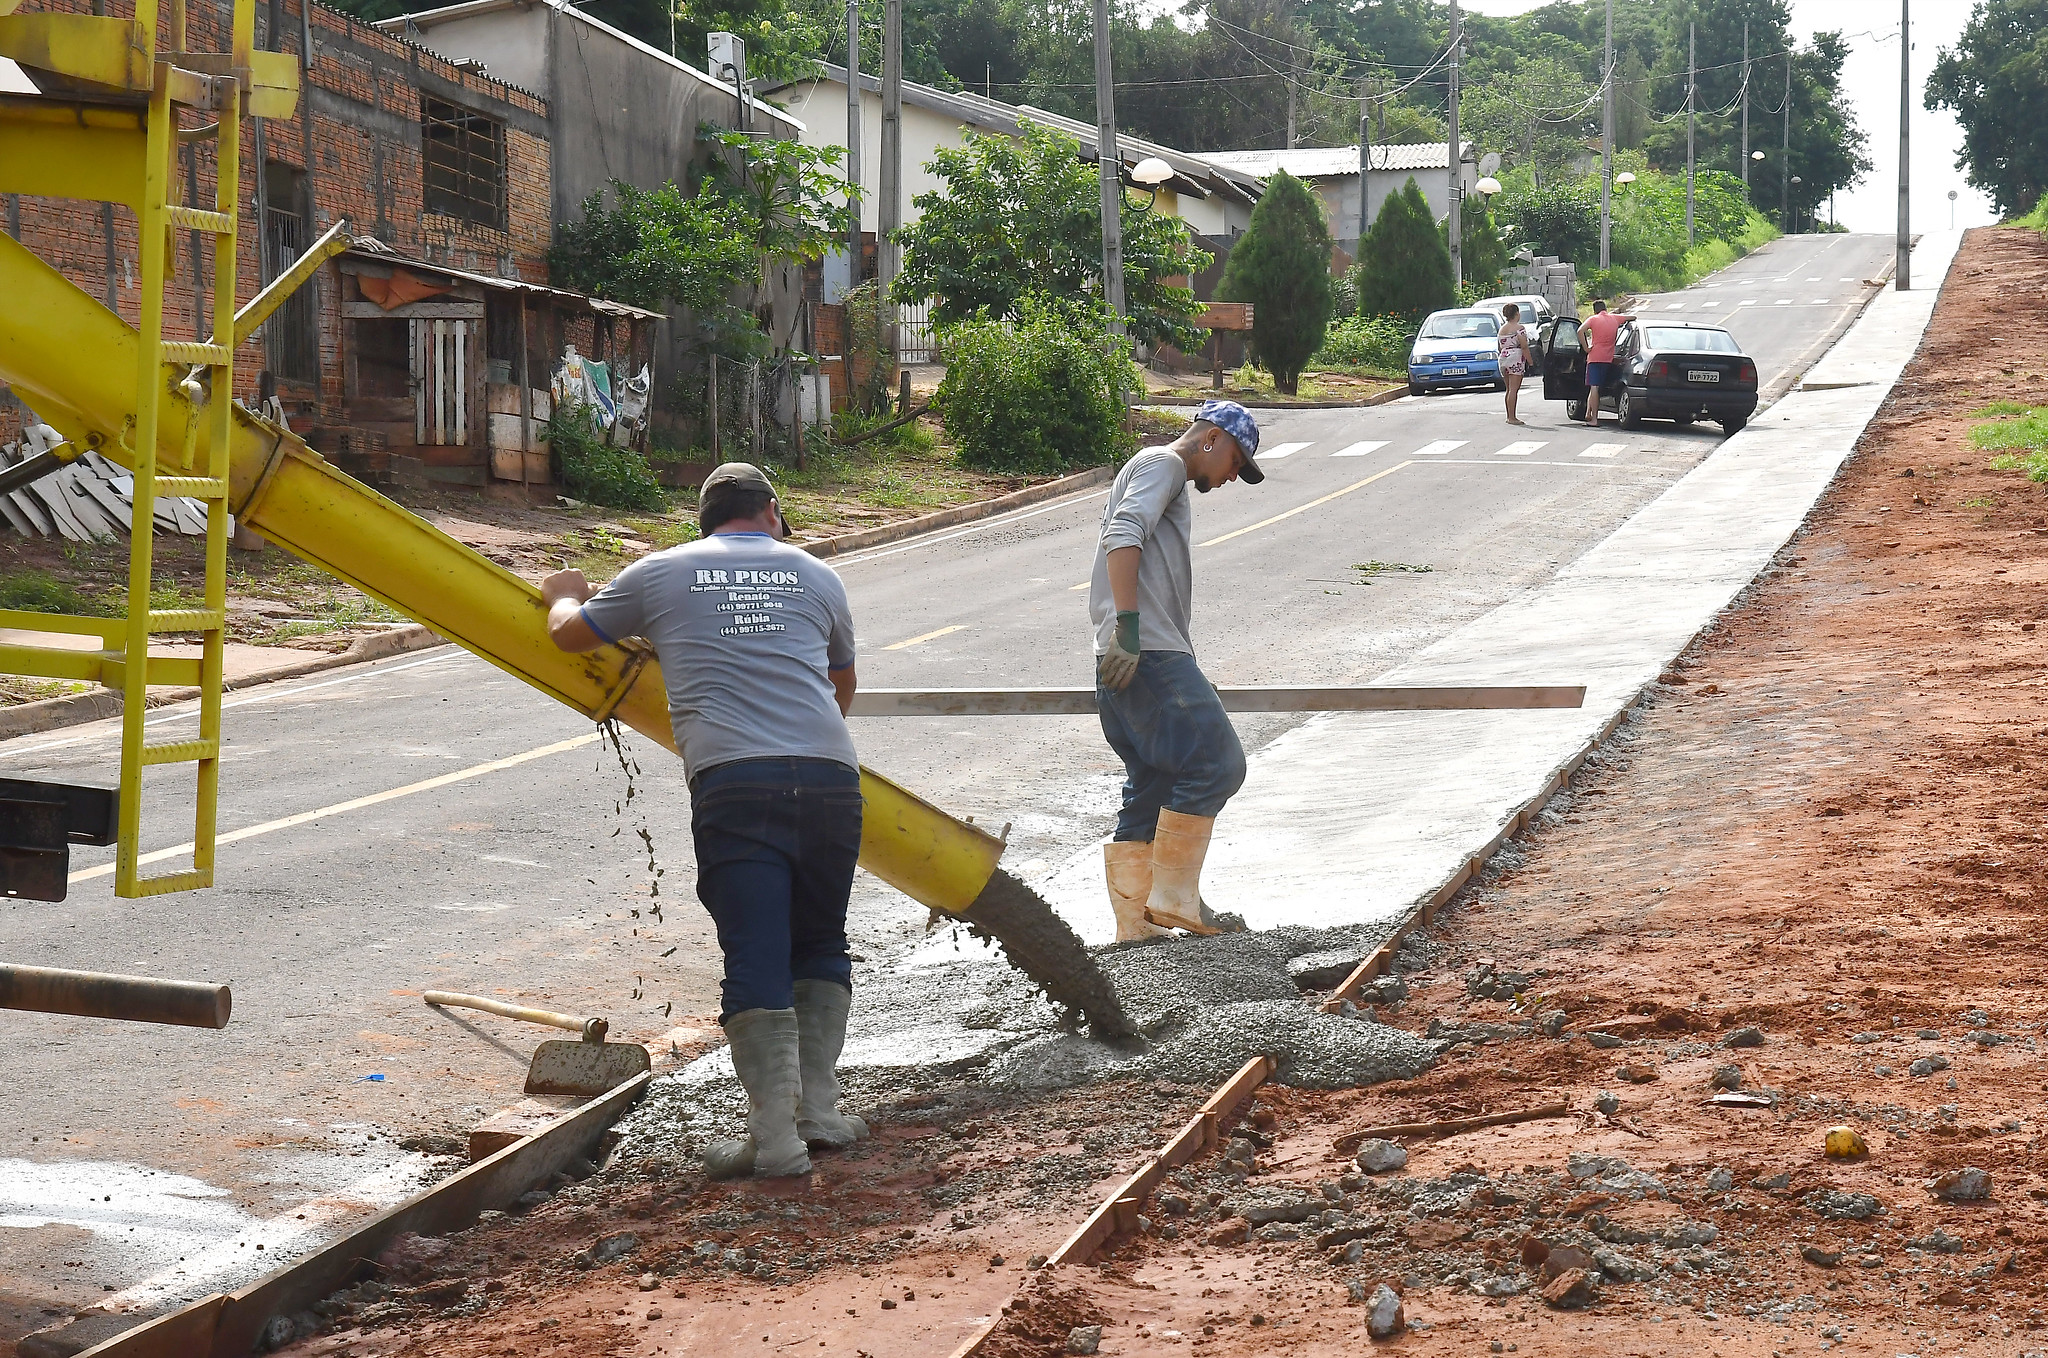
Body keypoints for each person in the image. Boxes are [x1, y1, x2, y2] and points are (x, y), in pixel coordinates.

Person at [542, 463, 866, 1181]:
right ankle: (822, 1114)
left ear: (705, 520)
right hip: (831, 779)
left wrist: (564, 594)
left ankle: (776, 1141)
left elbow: (571, 637)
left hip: (736, 784)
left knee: (755, 956)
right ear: (773, 512)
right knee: (819, 942)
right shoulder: (818, 576)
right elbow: (841, 680)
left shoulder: (660, 574)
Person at [1092, 399, 1264, 943]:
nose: (1233, 475)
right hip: (1146, 653)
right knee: (1218, 764)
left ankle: (1135, 919)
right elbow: (1123, 536)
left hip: (1136, 656)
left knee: (1155, 780)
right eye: (1236, 460)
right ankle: (1175, 899)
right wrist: (1130, 628)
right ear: (1212, 438)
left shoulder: (1153, 470)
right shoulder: (1164, 464)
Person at [1580, 299, 1635, 426]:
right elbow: (1632, 316)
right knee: (1594, 387)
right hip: (1607, 359)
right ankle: (1588, 413)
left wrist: (1586, 347)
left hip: (1594, 357)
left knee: (1594, 387)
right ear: (1605, 308)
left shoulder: (1593, 319)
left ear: (1595, 310)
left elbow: (1580, 331)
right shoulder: (1614, 318)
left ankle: (1594, 419)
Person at [1498, 302, 1533, 426]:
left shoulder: (1502, 328)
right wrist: (1530, 361)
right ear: (1517, 313)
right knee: (1514, 390)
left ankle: (1509, 416)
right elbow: (1524, 346)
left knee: (1508, 389)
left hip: (1503, 358)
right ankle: (1513, 417)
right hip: (1515, 358)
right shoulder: (1519, 328)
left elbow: (1499, 347)